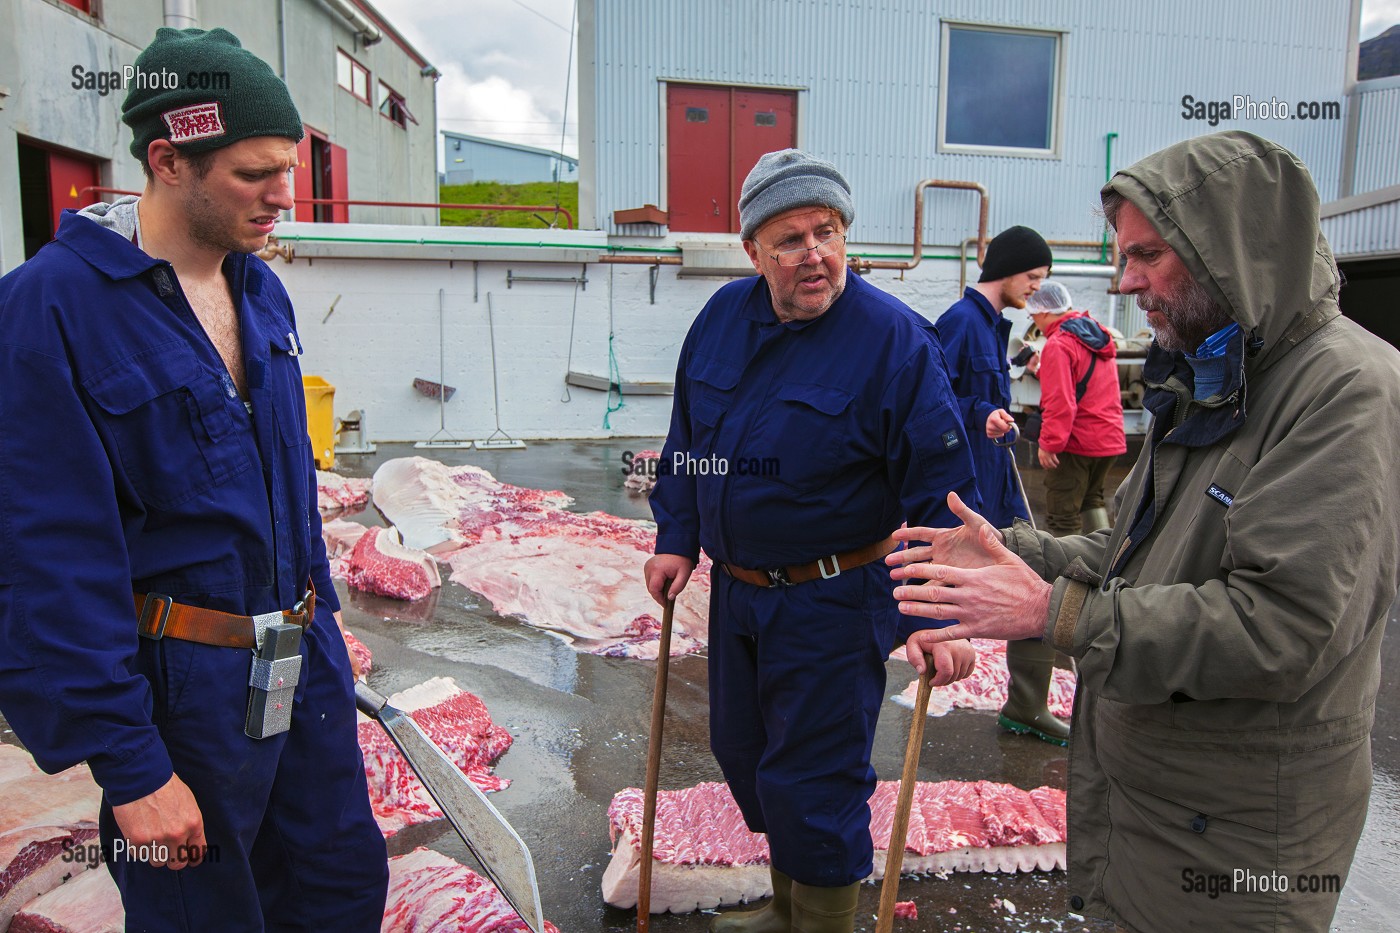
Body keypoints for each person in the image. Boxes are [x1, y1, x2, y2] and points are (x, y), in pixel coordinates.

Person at [890, 131, 1400, 933]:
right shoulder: (1214, 372)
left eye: (1148, 255)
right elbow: (1131, 548)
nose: (1126, 282)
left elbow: (1279, 627)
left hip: (1236, 844)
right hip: (1151, 810)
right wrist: (1015, 549)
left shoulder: (1343, 391)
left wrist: (1053, 613)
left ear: (1229, 249)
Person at [0, 28, 388, 931]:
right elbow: (45, 560)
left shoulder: (259, 289)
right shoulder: (46, 312)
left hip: (300, 662)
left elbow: (285, 482)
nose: (285, 196)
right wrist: (131, 767)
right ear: (170, 159)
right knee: (199, 915)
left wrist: (323, 632)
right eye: (256, 174)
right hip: (183, 692)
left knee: (339, 888)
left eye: (288, 168)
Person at [644, 149, 980, 933]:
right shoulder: (722, 318)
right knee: (745, 751)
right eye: (789, 238)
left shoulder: (894, 340)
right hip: (738, 594)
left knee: (817, 780)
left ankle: (819, 921)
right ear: (751, 250)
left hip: (834, 599)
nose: (814, 254)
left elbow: (943, 496)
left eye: (826, 231)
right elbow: (690, 439)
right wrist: (678, 534)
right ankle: (788, 905)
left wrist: (936, 619)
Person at [935, 226, 1068, 745]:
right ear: (1008, 269)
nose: (1037, 287)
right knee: (946, 590)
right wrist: (979, 412)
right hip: (967, 483)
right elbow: (933, 399)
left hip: (998, 476)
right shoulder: (961, 323)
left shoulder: (995, 326)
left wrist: (998, 416)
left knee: (1033, 573)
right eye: (1033, 276)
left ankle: (1026, 705)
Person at [1024, 281, 1126, 536]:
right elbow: (1084, 385)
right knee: (1093, 499)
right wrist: (1041, 369)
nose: (1034, 321)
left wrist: (1049, 444)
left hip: (1076, 443)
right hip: (1108, 437)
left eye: (1033, 315)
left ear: (1044, 311)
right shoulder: (1095, 335)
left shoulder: (1058, 344)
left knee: (1062, 515)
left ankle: (1065, 575)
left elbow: (1061, 402)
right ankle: (1102, 564)